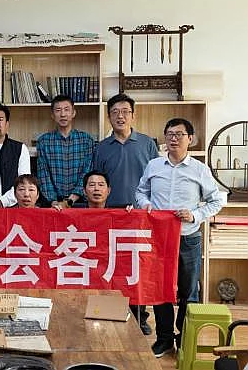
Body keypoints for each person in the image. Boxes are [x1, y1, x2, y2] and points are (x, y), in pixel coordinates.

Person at [136, 118, 225, 358]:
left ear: (190, 139)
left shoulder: (200, 169)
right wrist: (146, 205)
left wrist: (195, 215)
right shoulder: (154, 165)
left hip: (188, 237)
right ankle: (164, 339)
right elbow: (141, 192)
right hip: (159, 239)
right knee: (161, 289)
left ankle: (184, 337)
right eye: (169, 134)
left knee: (188, 292)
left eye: (179, 134)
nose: (173, 138)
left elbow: (217, 200)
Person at [92, 93, 158, 335]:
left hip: (139, 216)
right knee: (110, 267)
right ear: (108, 117)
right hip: (110, 216)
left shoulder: (147, 144)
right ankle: (109, 313)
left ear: (133, 115)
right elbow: (97, 181)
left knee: (137, 269)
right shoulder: (101, 147)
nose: (120, 116)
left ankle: (140, 317)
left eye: (125, 111)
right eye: (115, 112)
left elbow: (157, 178)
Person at [37, 95, 94, 208]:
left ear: (73, 113)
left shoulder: (86, 140)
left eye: (67, 109)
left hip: (80, 201)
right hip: (53, 203)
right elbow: (43, 174)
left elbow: (87, 172)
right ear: (52, 115)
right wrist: (54, 201)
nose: (63, 114)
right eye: (58, 110)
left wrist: (71, 200)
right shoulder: (44, 141)